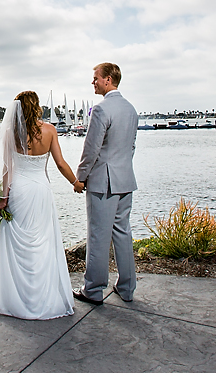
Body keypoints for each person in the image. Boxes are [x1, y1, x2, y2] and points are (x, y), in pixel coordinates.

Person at [0, 91, 85, 320]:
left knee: (19, 246)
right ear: (37, 106)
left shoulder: (11, 133)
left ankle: (17, 299)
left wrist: (0, 198)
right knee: (43, 242)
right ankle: (45, 297)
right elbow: (60, 164)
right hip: (40, 190)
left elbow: (5, 169)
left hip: (19, 191)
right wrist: (76, 183)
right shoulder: (49, 130)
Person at [74, 62, 139, 305]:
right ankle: (127, 287)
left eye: (95, 78)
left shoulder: (101, 110)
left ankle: (93, 290)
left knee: (98, 236)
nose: (93, 82)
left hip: (104, 182)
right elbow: (131, 146)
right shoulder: (131, 109)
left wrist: (80, 177)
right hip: (125, 179)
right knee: (123, 233)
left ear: (108, 80)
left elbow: (91, 149)